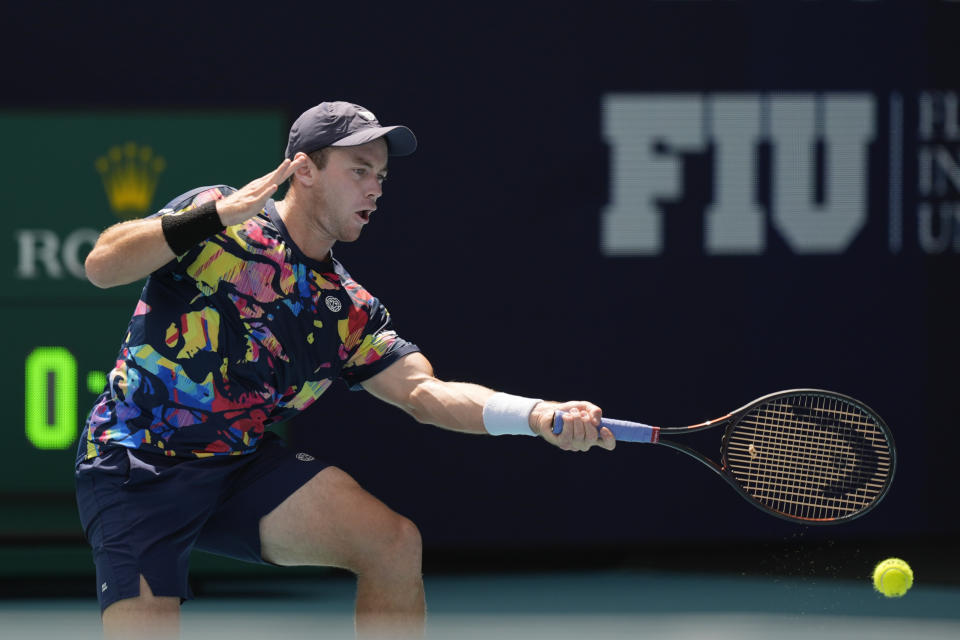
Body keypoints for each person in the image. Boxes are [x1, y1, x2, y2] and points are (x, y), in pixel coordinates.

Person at [76, 101, 616, 639]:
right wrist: (215, 216)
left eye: (380, 175)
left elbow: (423, 392)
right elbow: (101, 265)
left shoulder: (347, 308)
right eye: (359, 170)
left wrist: (536, 413)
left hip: (236, 469)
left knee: (392, 543)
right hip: (135, 463)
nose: (376, 189)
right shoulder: (218, 218)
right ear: (304, 170)